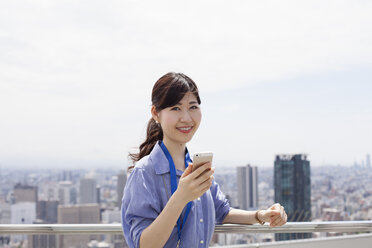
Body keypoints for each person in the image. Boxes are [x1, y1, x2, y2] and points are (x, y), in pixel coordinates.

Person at [121, 72, 287, 248]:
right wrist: (180, 198)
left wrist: (261, 215)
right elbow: (144, 244)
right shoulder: (145, 172)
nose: (186, 118)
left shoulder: (194, 166)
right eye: (175, 108)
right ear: (156, 113)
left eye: (193, 107)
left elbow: (222, 211)